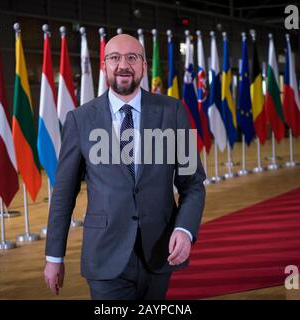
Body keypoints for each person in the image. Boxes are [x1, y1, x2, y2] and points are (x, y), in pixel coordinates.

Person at [44, 33, 206, 300]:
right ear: (104, 66)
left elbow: (193, 184)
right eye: (114, 58)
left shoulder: (173, 112)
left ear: (144, 66)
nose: (123, 65)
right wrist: (53, 256)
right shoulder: (80, 120)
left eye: (132, 57)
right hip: (104, 255)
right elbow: (63, 192)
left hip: (159, 251)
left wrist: (185, 229)